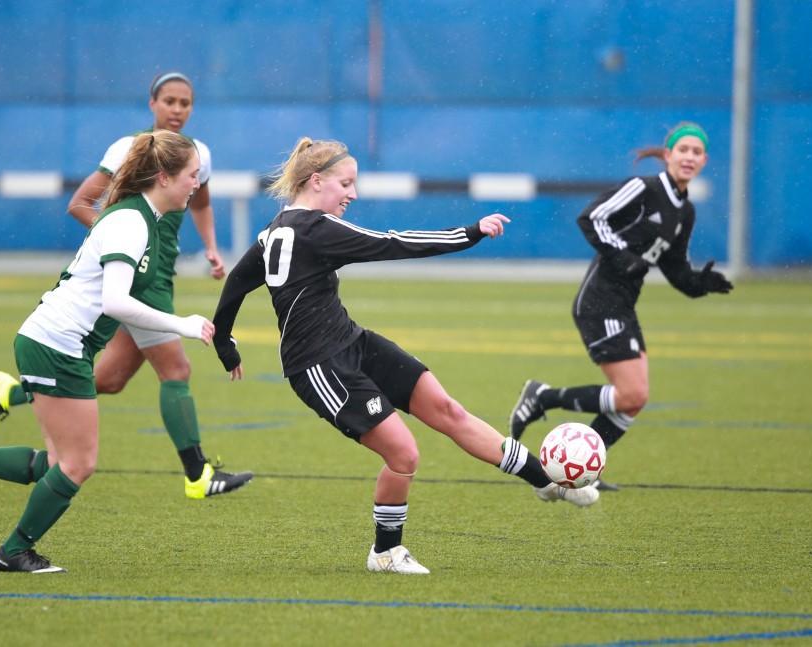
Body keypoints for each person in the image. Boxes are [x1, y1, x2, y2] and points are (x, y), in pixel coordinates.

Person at [211, 137, 599, 576]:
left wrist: (224, 338)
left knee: (447, 409)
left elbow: (238, 280)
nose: (352, 194)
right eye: (346, 183)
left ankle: (546, 481)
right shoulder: (317, 230)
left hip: (352, 342)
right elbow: (393, 242)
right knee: (404, 455)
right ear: (316, 181)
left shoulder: (276, 228)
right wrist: (468, 233)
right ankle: (385, 553)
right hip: (319, 367)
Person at [0, 131, 216, 573]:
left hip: (53, 342)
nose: (197, 185)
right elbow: (115, 302)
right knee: (78, 463)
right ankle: (14, 551)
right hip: (57, 344)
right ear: (164, 177)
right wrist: (182, 325)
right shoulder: (132, 222)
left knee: (57, 463)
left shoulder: (141, 219)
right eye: (192, 175)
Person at [0, 71, 252, 499]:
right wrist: (121, 242)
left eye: (185, 103)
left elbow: (202, 203)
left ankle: (13, 391)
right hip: (140, 282)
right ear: (152, 103)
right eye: (169, 101)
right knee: (176, 369)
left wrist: (213, 248)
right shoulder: (127, 149)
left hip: (158, 278)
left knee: (111, 378)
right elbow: (80, 202)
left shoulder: (198, 155)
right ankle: (197, 474)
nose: (177, 109)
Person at [508, 122, 733, 491]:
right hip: (599, 301)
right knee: (632, 394)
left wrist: (698, 284)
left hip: (624, 304)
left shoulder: (684, 211)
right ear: (668, 154)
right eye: (683, 150)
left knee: (633, 400)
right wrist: (623, 256)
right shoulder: (644, 189)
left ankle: (583, 478)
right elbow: (591, 217)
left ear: (705, 160)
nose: (689, 157)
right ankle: (542, 396)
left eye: (697, 152)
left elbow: (674, 267)